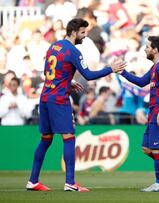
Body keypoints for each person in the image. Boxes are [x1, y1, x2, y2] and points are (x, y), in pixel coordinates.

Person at [26, 18, 126, 192]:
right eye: (82, 32)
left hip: (46, 97)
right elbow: (88, 75)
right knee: (69, 137)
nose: (85, 36)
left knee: (46, 139)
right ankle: (70, 183)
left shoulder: (54, 46)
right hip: (59, 100)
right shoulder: (73, 51)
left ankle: (33, 180)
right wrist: (111, 69)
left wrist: (67, 81)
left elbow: (48, 72)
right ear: (73, 32)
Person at [118, 36, 159, 192]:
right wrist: (123, 72)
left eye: (147, 46)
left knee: (157, 149)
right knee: (147, 148)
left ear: (155, 49)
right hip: (153, 111)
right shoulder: (155, 67)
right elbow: (141, 82)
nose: (144, 49)